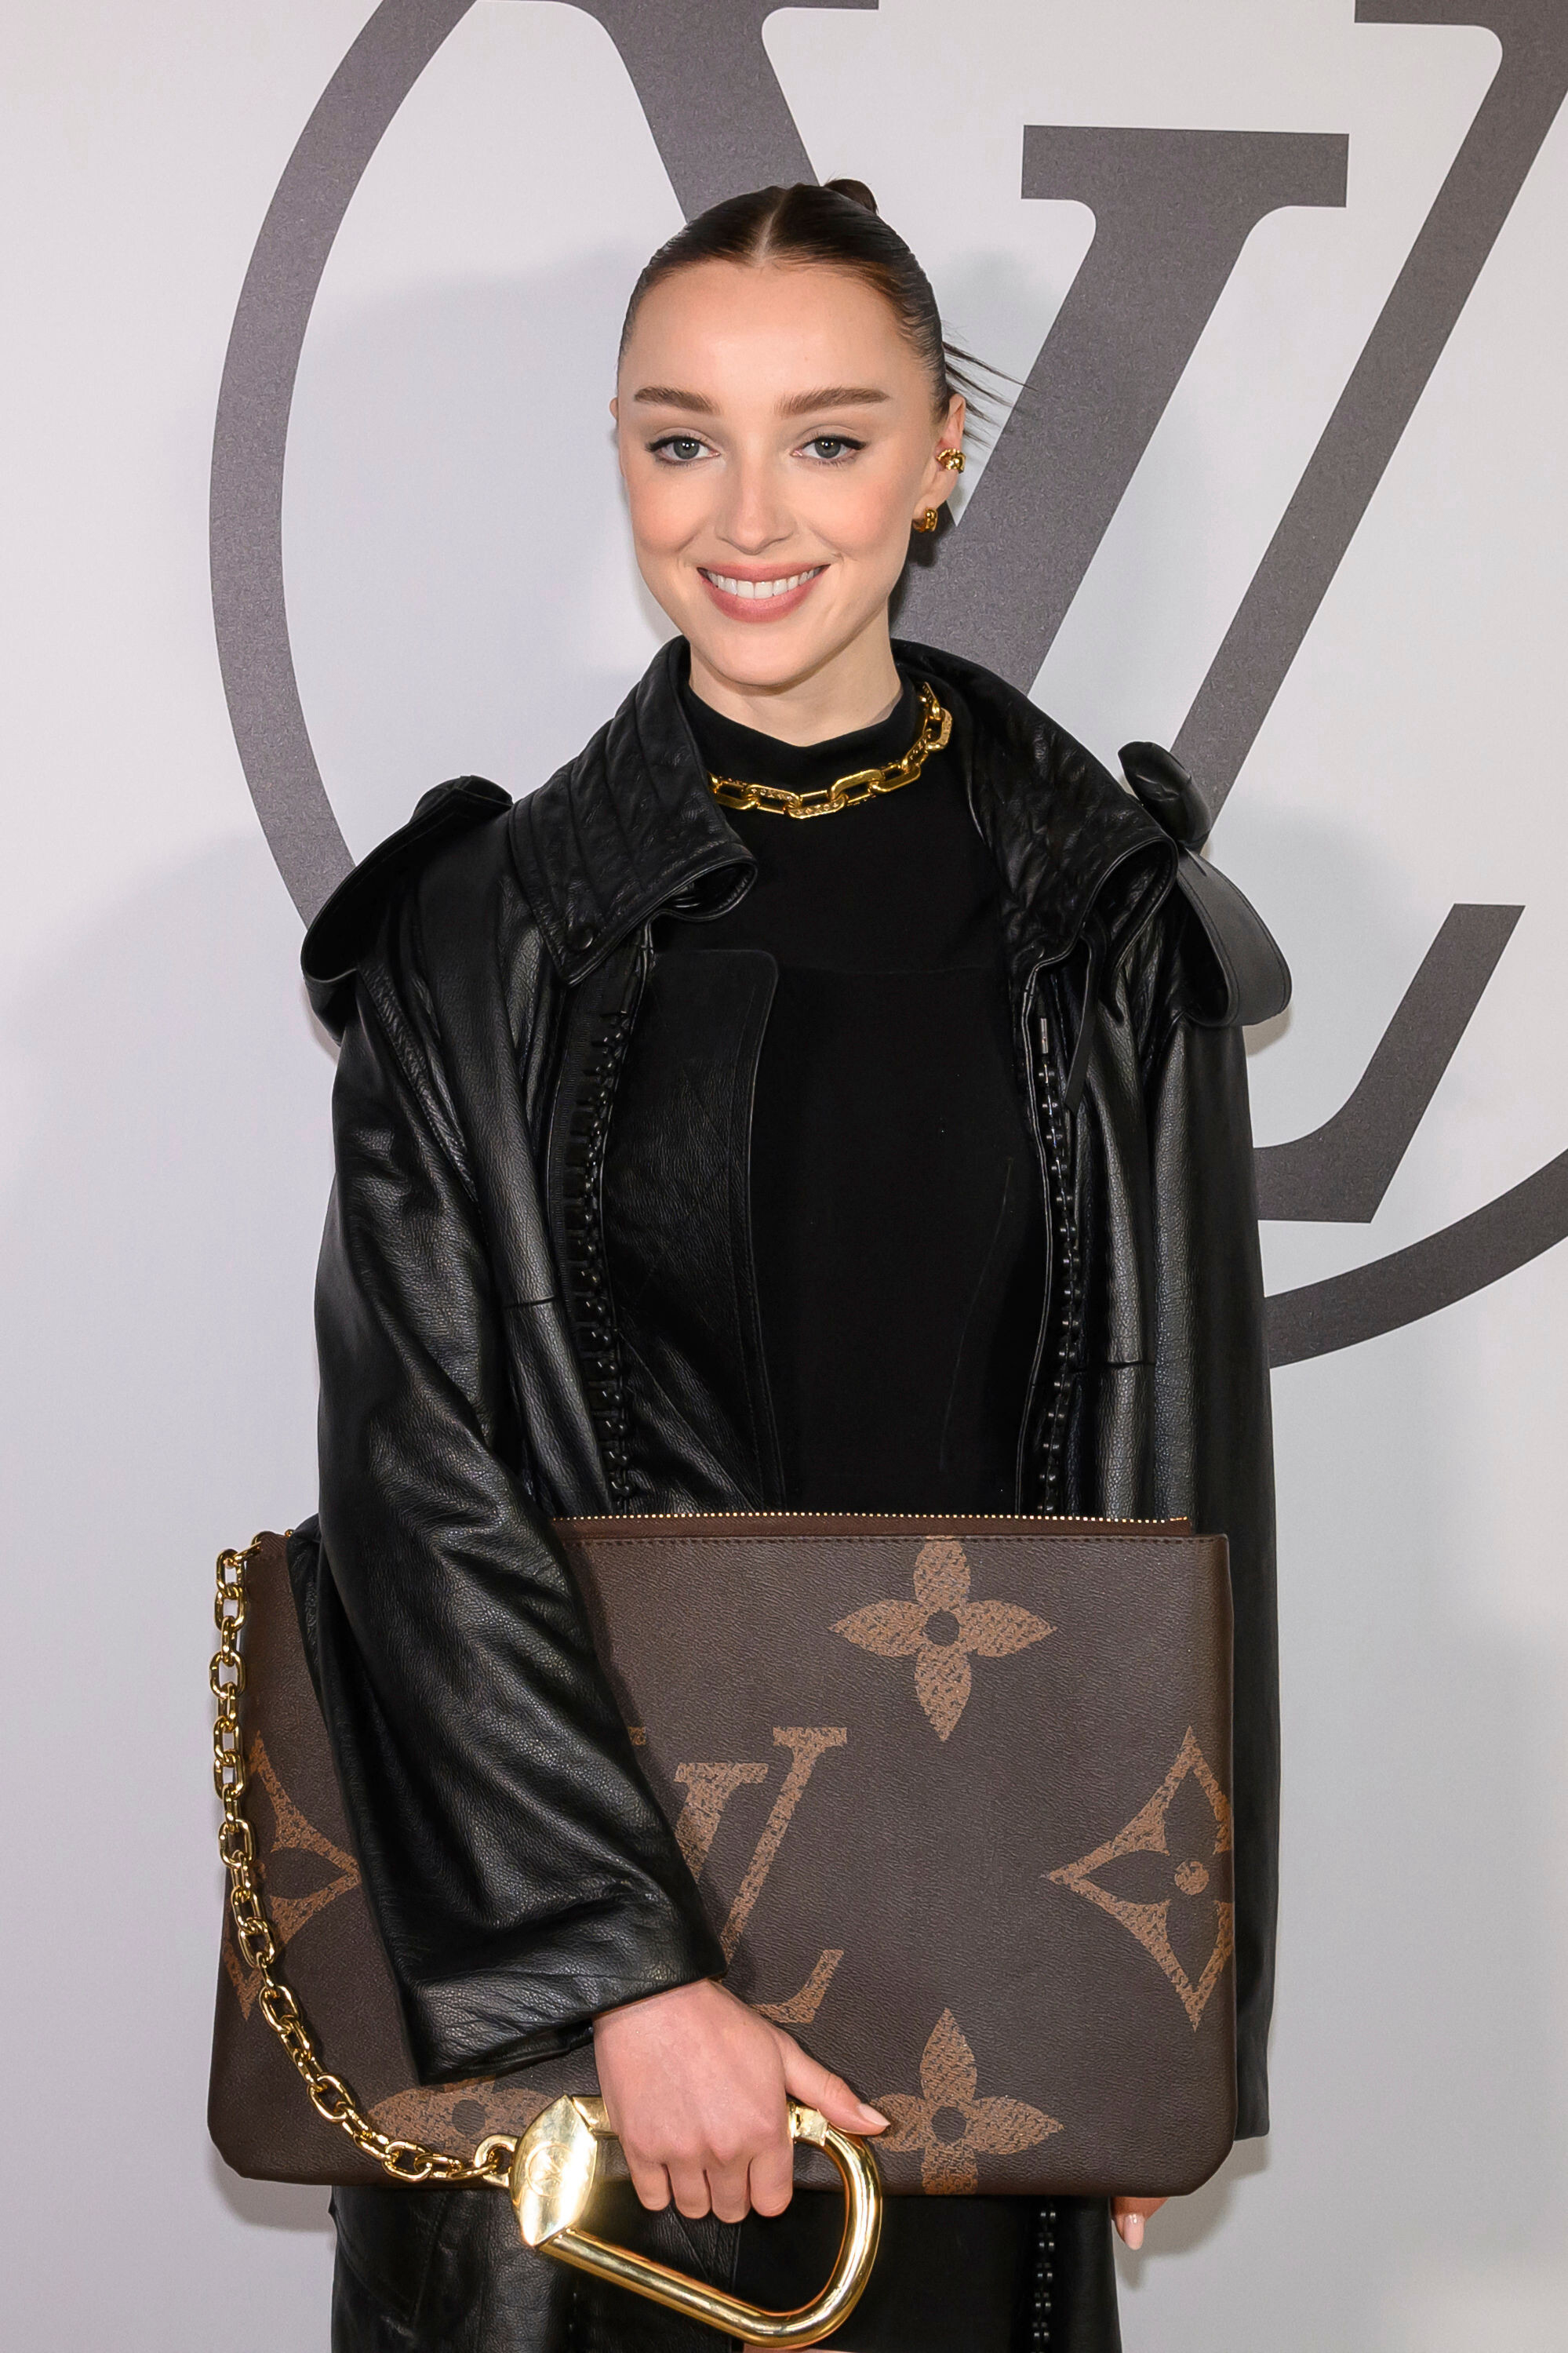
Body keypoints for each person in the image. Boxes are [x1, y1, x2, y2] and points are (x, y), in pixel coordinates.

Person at [298, 179, 1279, 2353]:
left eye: (828, 438)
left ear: (939, 461)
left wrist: (1167, 2009)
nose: (748, 516)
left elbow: (1188, 1489)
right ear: (622, 456)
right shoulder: (477, 932)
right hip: (574, 2032)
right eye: (684, 439)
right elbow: (410, 1482)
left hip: (987, 1971)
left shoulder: (1106, 922)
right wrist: (625, 1973)